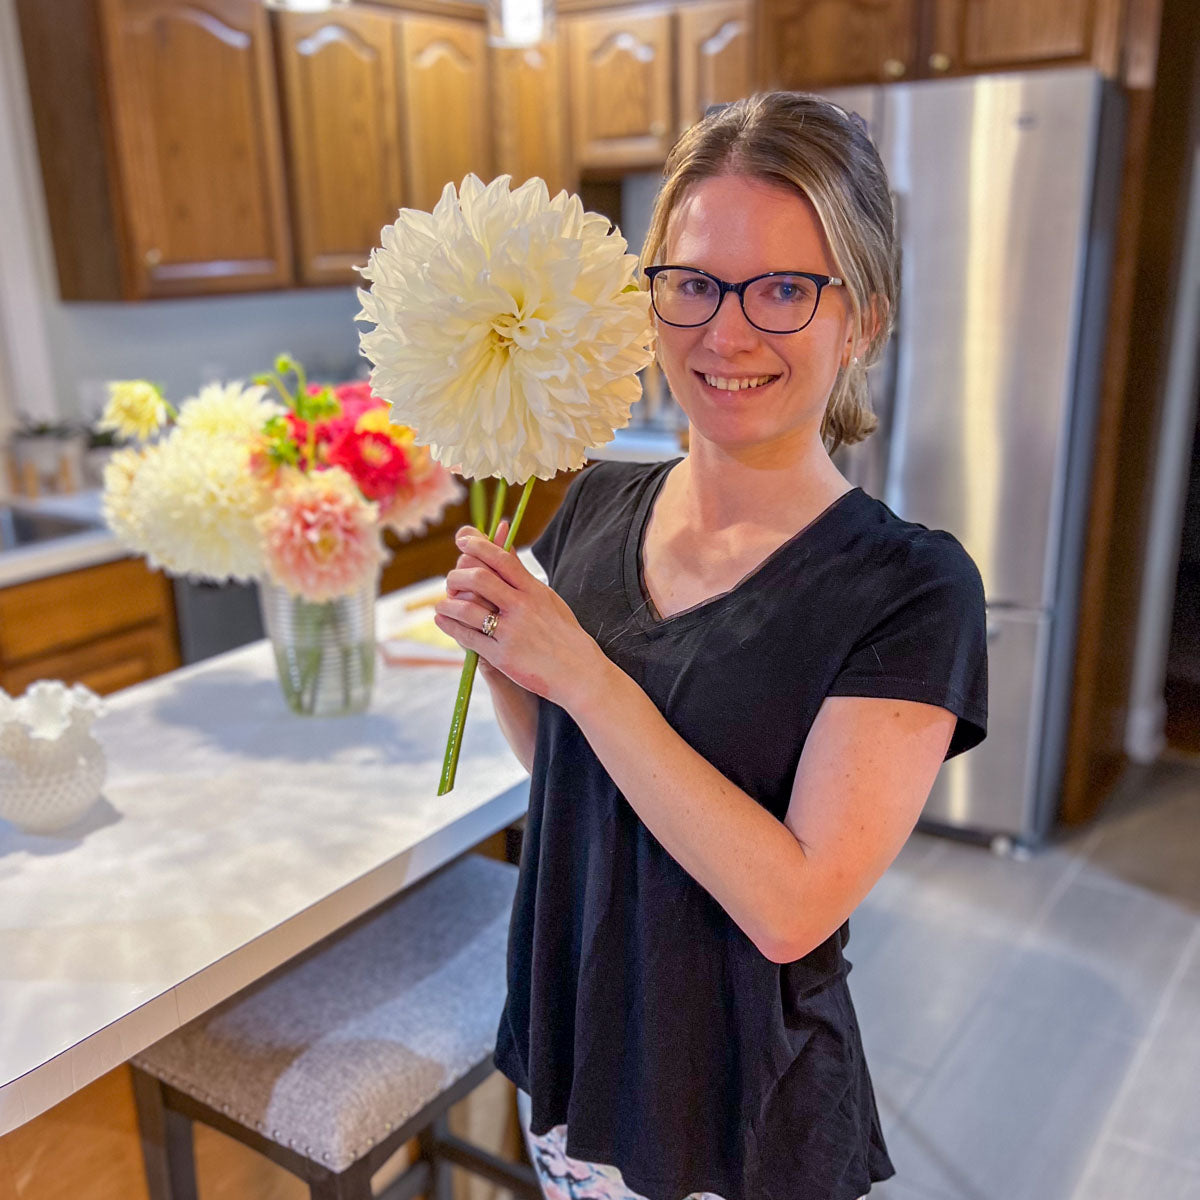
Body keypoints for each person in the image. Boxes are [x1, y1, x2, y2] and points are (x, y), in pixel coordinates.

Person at [433, 91, 988, 1200]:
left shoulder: (910, 587)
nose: (725, 332)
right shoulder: (591, 504)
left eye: (785, 288)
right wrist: (509, 658)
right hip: (575, 1046)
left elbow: (791, 908)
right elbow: (571, 775)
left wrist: (585, 675)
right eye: (692, 283)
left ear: (863, 317)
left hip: (737, 1103)